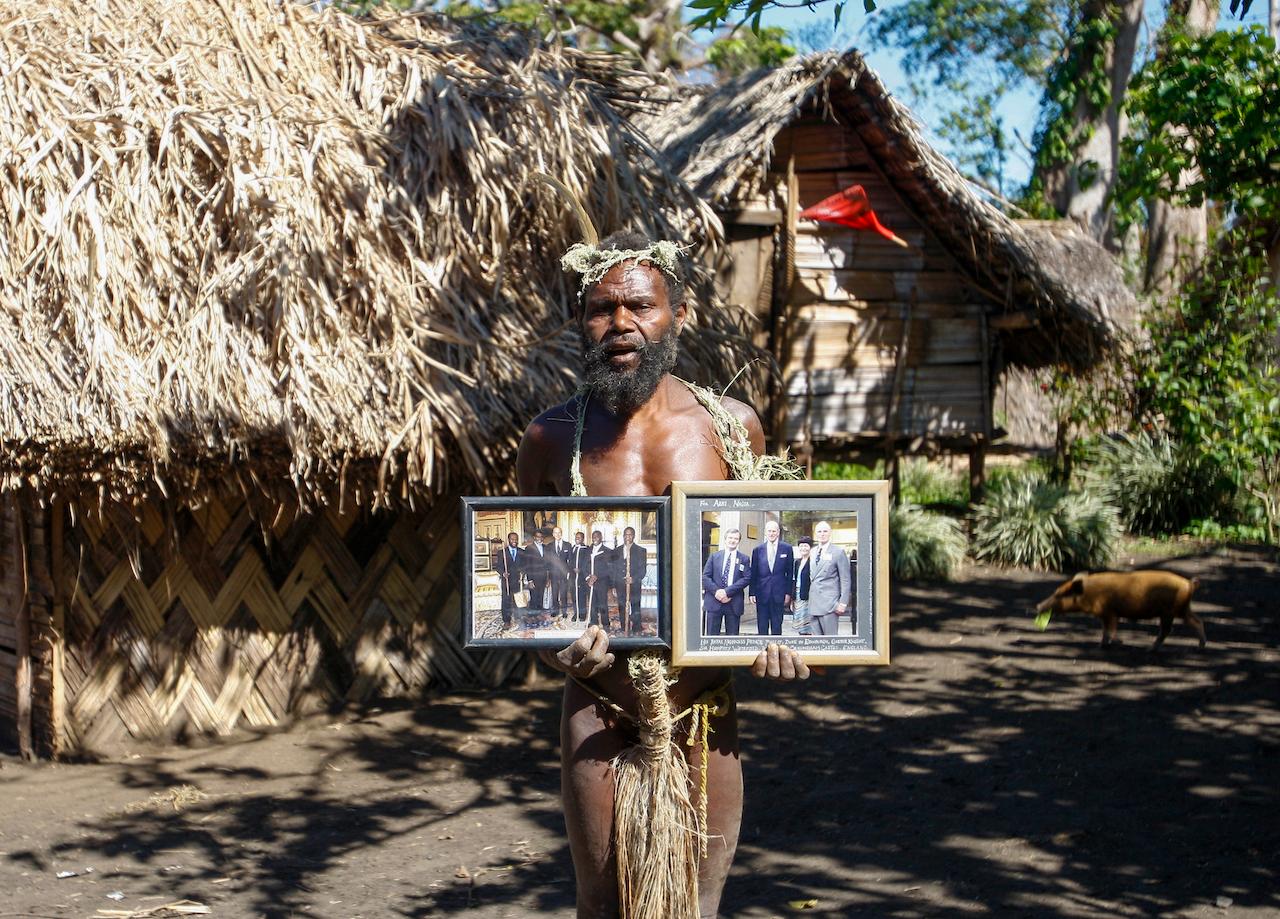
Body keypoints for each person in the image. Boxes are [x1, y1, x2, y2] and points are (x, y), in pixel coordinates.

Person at [516, 228, 809, 919]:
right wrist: (553, 646)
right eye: (601, 309)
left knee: (698, 907)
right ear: (580, 323)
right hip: (598, 707)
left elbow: (775, 582)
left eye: (640, 305)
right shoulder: (550, 439)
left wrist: (784, 642)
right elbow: (525, 598)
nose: (621, 324)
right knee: (603, 904)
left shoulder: (733, 430)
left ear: (680, 312)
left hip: (704, 710)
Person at [702, 528, 751, 635]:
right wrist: (717, 592)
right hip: (714, 601)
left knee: (732, 640)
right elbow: (705, 577)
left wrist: (727, 592)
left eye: (735, 538)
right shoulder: (714, 556)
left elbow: (747, 578)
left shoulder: (744, 559)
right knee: (711, 637)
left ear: (738, 541)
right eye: (730, 538)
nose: (732, 540)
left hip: (733, 602)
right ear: (725, 539)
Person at [748, 518, 793, 636]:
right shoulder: (758, 550)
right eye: (769, 531)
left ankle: (776, 652)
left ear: (778, 532)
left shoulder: (787, 548)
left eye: (774, 531)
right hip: (761, 594)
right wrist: (752, 593)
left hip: (779, 594)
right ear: (765, 532)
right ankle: (763, 652)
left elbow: (790, 573)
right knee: (762, 627)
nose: (772, 533)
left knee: (777, 627)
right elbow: (754, 573)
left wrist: (788, 593)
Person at [808, 520, 851, 636]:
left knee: (830, 643)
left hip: (830, 604)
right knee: (816, 645)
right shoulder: (812, 552)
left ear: (830, 533)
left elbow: (845, 580)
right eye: (819, 531)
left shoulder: (838, 552)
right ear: (815, 533)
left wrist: (843, 603)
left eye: (825, 531)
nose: (822, 534)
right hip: (813, 603)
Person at [614, 526, 648, 635]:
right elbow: (613, 570)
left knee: (635, 605)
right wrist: (615, 585)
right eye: (626, 535)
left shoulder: (641, 551)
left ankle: (637, 628)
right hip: (620, 584)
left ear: (633, 536)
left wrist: (633, 579)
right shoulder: (616, 551)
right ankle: (625, 627)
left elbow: (643, 570)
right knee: (622, 606)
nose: (628, 537)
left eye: (630, 535)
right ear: (623, 536)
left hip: (634, 584)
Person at [584, 529, 613, 631]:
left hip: (601, 582)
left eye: (597, 536)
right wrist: (588, 577)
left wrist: (597, 576)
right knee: (592, 603)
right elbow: (584, 565)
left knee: (602, 603)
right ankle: (594, 622)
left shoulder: (608, 551)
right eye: (593, 536)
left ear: (601, 538)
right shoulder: (587, 550)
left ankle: (605, 624)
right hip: (590, 582)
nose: (595, 538)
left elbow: (609, 569)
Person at [523, 529, 552, 627]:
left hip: (543, 578)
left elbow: (548, 564)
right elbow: (527, 565)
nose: (540, 538)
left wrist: (548, 578)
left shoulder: (545, 547)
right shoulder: (529, 548)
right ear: (534, 537)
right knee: (534, 598)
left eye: (541, 537)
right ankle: (532, 617)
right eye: (537, 536)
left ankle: (539, 615)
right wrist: (530, 580)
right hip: (534, 578)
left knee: (540, 597)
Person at [494, 531, 524, 630]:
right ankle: (506, 620)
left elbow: (525, 565)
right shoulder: (501, 552)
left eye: (516, 539)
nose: (514, 541)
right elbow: (498, 567)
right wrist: (503, 573)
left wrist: (523, 572)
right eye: (512, 539)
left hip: (517, 580)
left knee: (517, 599)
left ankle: (518, 617)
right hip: (506, 580)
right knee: (506, 601)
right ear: (508, 540)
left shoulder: (521, 552)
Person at [790, 536, 814, 636]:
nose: (803, 548)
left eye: (806, 546)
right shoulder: (797, 562)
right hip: (798, 595)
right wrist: (792, 598)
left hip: (809, 596)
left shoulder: (813, 561)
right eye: (801, 546)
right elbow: (794, 580)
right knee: (800, 623)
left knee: (809, 624)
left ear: (810, 547)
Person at [549, 525, 573, 623]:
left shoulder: (568, 545)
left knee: (563, 594)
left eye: (559, 532)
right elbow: (548, 561)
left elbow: (570, 561)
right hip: (553, 574)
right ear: (553, 534)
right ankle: (555, 610)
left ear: (561, 533)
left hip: (564, 574)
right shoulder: (549, 546)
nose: (557, 534)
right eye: (555, 532)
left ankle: (564, 611)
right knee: (554, 594)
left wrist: (568, 573)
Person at [569, 531, 590, 622]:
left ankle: (582, 614)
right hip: (573, 577)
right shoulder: (573, 548)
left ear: (583, 539)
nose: (577, 539)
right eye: (576, 537)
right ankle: (576, 613)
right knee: (574, 595)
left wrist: (580, 570)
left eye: (579, 537)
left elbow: (587, 563)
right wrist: (572, 569)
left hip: (582, 577)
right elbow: (570, 561)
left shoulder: (586, 549)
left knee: (581, 596)